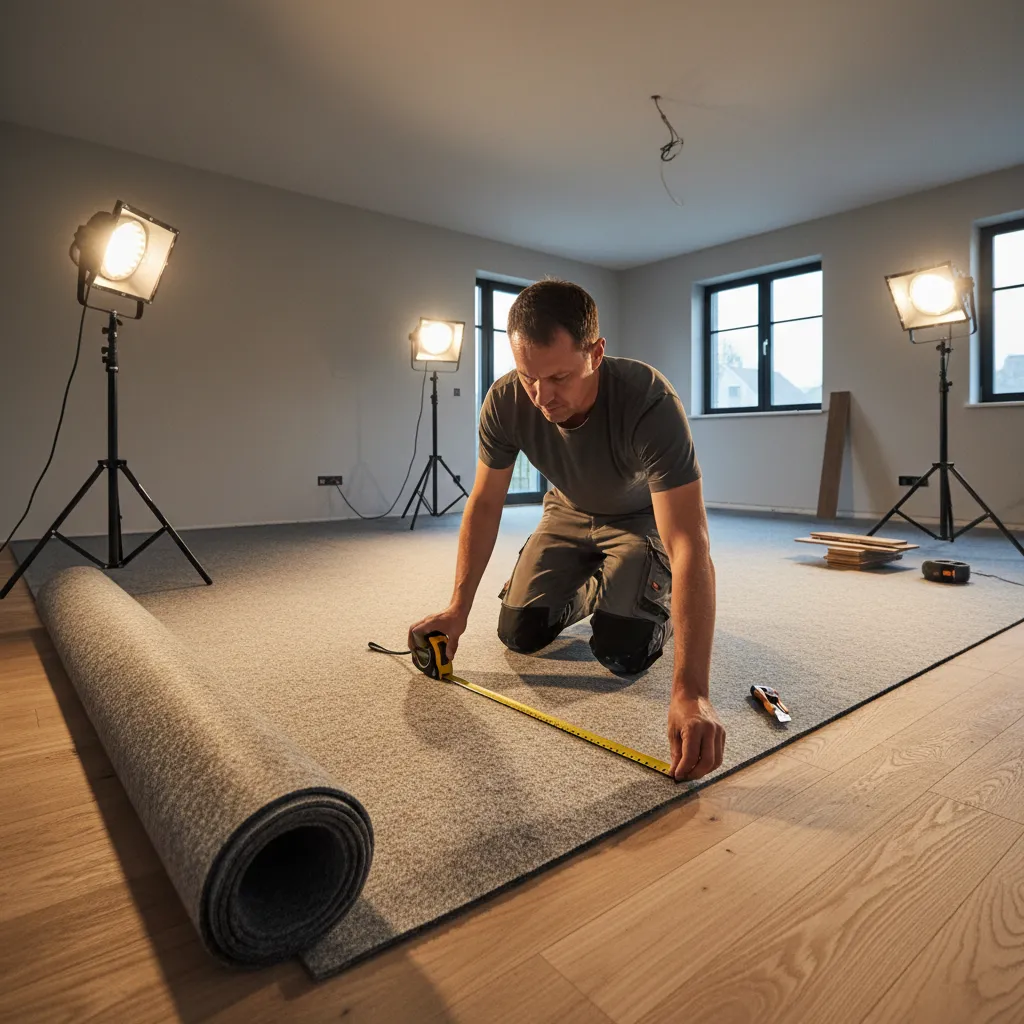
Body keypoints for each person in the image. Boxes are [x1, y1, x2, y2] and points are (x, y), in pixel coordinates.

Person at [408, 279, 724, 781]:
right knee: (519, 633)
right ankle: (598, 585)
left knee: (622, 650)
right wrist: (457, 610)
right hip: (566, 513)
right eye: (528, 375)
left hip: (639, 522)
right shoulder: (507, 400)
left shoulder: (648, 401)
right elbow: (486, 503)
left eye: (559, 377)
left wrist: (692, 691)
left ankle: (637, 588)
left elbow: (690, 541)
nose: (541, 396)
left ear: (596, 353)